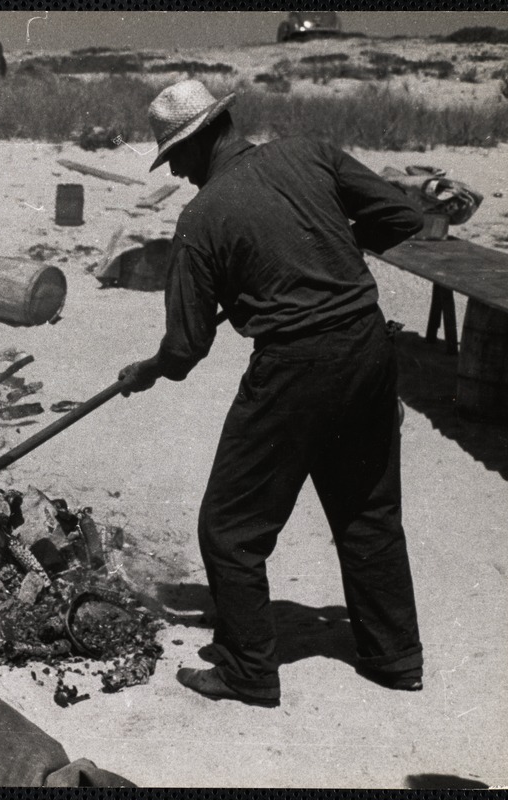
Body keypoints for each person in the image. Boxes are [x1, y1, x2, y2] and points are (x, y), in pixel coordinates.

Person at [119, 80, 425, 707]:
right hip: (368, 349)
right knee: (366, 509)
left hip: (294, 369)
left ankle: (247, 671)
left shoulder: (201, 219)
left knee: (229, 528)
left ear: (206, 136)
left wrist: (147, 369)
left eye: (175, 152)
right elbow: (404, 215)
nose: (175, 169)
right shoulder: (310, 152)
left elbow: (186, 347)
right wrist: (331, 248)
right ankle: (395, 658)